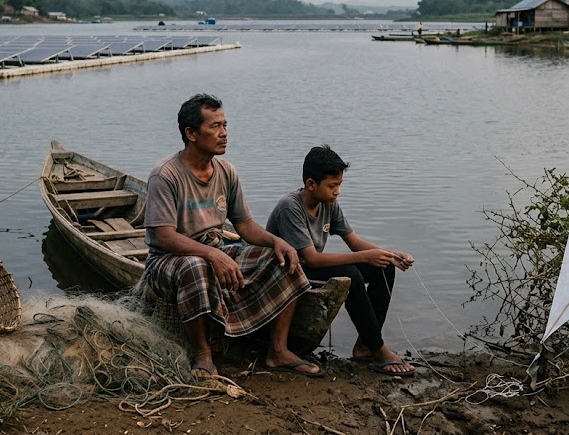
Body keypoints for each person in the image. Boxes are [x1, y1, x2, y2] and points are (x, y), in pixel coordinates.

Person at [143, 93, 322, 378]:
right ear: (191, 133)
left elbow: (245, 226)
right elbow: (164, 237)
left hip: (216, 248)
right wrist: (213, 254)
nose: (224, 133)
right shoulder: (165, 175)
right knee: (196, 265)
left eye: (225, 125)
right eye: (215, 127)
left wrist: (278, 241)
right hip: (169, 260)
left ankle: (277, 350)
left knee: (285, 258)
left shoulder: (226, 171)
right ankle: (203, 353)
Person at [266, 145, 416, 376]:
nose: (337, 192)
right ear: (311, 184)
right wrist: (366, 257)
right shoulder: (291, 207)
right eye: (332, 186)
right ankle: (379, 349)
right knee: (351, 274)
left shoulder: (328, 204)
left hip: (310, 267)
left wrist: (390, 254)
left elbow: (355, 243)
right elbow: (312, 260)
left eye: (339, 185)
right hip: (290, 272)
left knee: (383, 268)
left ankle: (365, 345)